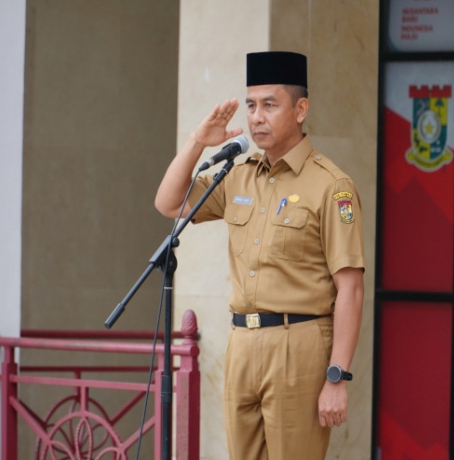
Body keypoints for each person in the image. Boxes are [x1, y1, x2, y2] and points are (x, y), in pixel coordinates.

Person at [155, 51, 364, 460]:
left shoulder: (331, 186)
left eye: (270, 105)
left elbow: (351, 290)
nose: (256, 117)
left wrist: (337, 376)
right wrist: (198, 141)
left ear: (301, 109)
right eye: (251, 105)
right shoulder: (239, 172)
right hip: (243, 343)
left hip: (298, 343)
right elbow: (168, 202)